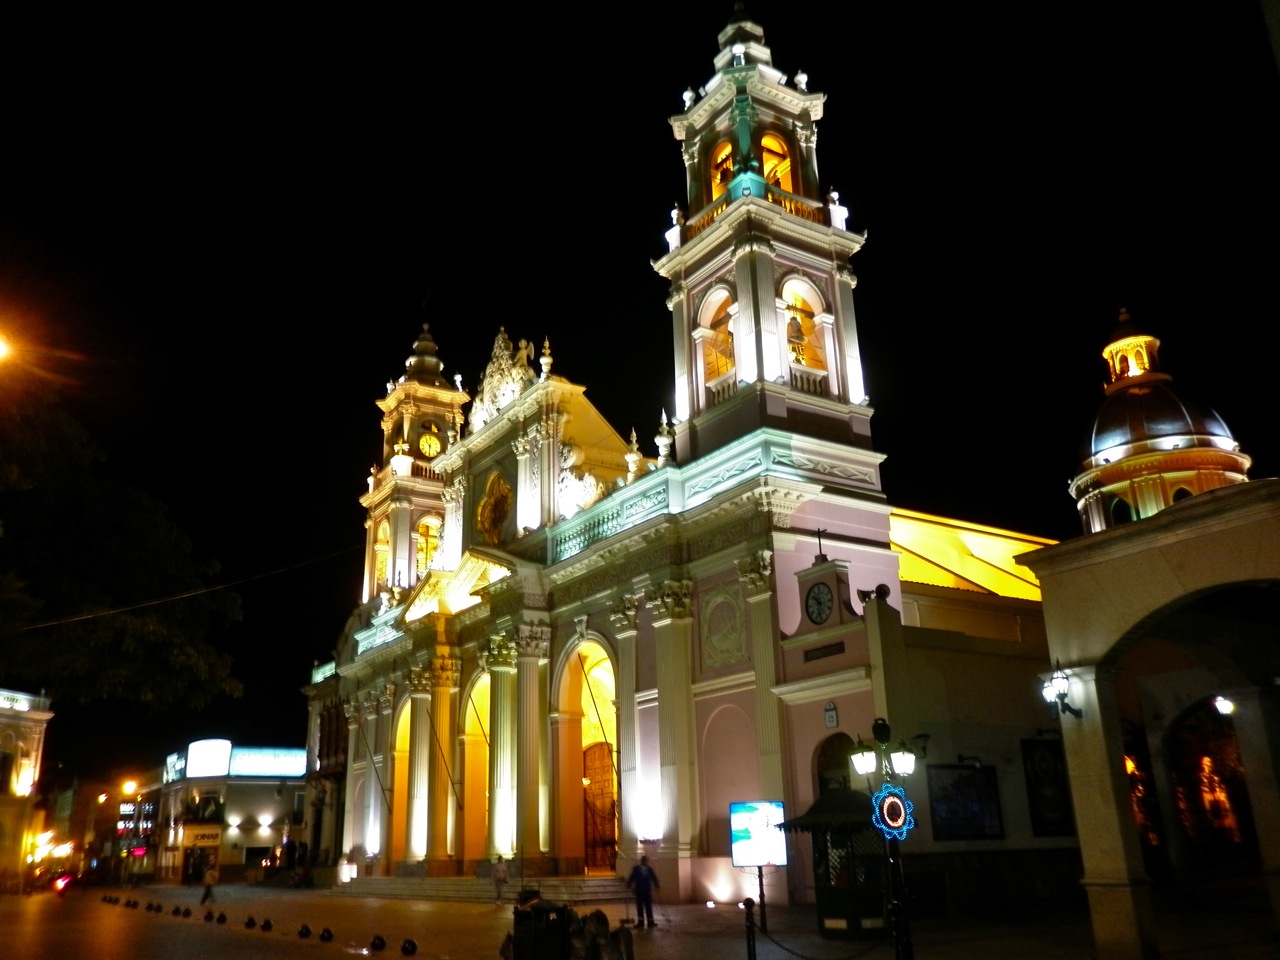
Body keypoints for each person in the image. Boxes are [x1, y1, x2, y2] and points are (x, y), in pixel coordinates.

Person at [627, 855, 659, 927]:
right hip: (646, 890)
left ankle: (641, 923)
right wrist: (656, 885)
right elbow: (653, 878)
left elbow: (632, 877)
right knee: (648, 906)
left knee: (640, 907)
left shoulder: (637, 868)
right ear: (646, 861)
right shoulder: (649, 869)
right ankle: (650, 922)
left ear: (641, 861)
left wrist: (629, 883)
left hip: (639, 890)